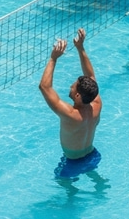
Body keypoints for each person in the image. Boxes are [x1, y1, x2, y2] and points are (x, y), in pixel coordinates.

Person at [39, 29, 102, 171]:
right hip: (92, 155)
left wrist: (53, 58)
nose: (70, 86)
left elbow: (44, 87)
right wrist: (80, 47)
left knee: (66, 188)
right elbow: (91, 77)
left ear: (78, 95)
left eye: (73, 86)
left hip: (72, 163)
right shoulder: (96, 104)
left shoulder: (71, 114)